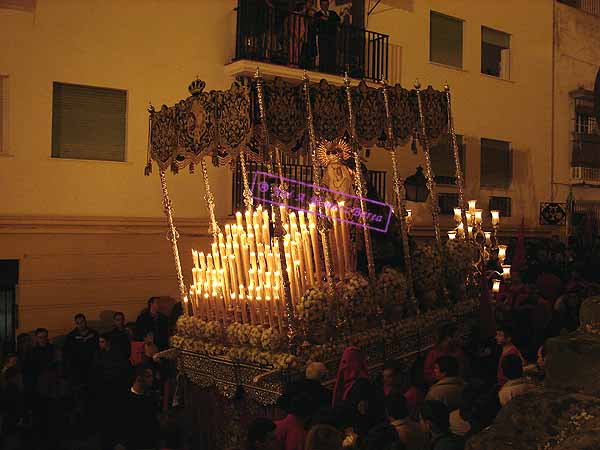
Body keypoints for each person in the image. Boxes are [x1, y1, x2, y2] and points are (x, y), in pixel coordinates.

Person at [332, 346, 382, 437]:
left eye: (347, 362)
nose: (345, 366)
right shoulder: (354, 383)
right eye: (344, 362)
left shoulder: (362, 385)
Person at [120, 365, 159, 450]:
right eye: (149, 376)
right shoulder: (124, 399)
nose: (152, 379)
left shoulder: (151, 399)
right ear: (139, 378)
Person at [63, 313, 99, 386]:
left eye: (82, 322)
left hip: (92, 365)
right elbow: (67, 352)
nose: (80, 325)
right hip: (77, 367)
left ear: (85, 322)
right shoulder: (71, 336)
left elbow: (99, 348)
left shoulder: (94, 334)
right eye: (78, 323)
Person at [315, 0, 340, 74]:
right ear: (320, 6)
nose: (325, 7)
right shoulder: (318, 15)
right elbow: (316, 24)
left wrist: (328, 19)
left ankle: (332, 71)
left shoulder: (333, 13)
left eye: (326, 5)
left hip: (332, 37)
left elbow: (338, 21)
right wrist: (321, 19)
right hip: (323, 37)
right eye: (323, 5)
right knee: (323, 54)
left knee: (332, 54)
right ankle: (323, 71)